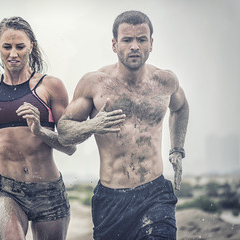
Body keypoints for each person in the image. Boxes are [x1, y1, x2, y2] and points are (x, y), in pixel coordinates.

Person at [57, 10, 189, 239]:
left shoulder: (165, 81)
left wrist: (177, 149)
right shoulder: (94, 84)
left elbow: (180, 107)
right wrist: (92, 126)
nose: (135, 46)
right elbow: (64, 131)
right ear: (114, 44)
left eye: (141, 39)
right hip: (111, 200)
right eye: (127, 40)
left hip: (155, 193)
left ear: (151, 43)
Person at [0, 16, 75, 240]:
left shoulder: (50, 86)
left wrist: (40, 131)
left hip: (49, 190)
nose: (13, 54)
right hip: (6, 190)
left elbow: (70, 145)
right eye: (7, 47)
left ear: (31, 47)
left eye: (20, 47)